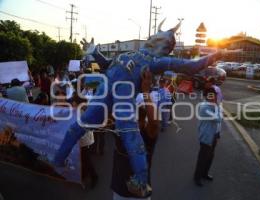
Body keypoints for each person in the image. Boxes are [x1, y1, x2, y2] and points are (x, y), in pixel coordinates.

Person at [53, 19, 222, 197]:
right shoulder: (132, 55)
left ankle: (140, 181)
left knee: (126, 133)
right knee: (85, 126)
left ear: (166, 44)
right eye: (159, 34)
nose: (157, 37)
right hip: (108, 91)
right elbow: (108, 64)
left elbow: (190, 67)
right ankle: (59, 159)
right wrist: (94, 51)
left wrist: (214, 56)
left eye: (163, 36)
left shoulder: (157, 61)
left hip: (120, 94)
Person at [111, 70, 159, 200]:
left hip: (140, 195)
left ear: (143, 122)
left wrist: (145, 91)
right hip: (119, 191)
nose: (131, 124)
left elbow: (154, 122)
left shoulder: (147, 137)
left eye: (137, 120)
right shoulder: (120, 130)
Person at [194, 87, 222, 187]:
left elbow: (219, 121)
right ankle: (197, 177)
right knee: (203, 157)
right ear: (206, 96)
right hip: (206, 136)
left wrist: (218, 134)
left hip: (214, 135)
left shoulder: (215, 105)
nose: (213, 97)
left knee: (210, 156)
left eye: (214, 95)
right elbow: (218, 119)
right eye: (210, 95)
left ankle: (205, 174)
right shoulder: (205, 107)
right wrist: (216, 107)